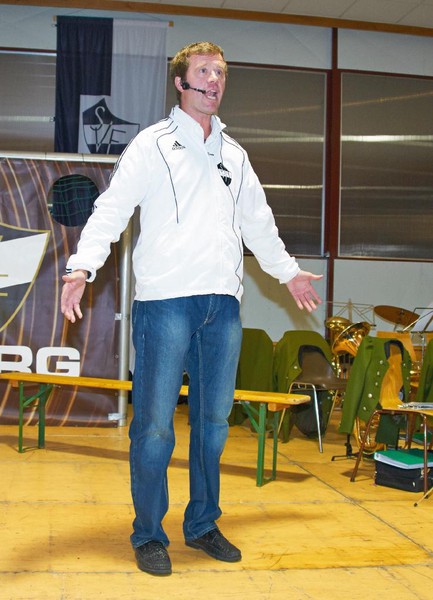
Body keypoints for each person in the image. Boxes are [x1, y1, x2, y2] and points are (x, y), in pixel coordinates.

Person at [61, 41, 323, 577]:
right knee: (155, 427)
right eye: (204, 71)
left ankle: (202, 524)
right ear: (181, 83)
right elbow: (111, 209)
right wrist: (82, 267)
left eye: (221, 72)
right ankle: (148, 533)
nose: (214, 80)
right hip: (165, 304)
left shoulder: (235, 154)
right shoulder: (152, 145)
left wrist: (288, 271)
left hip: (221, 306)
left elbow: (258, 222)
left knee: (213, 425)